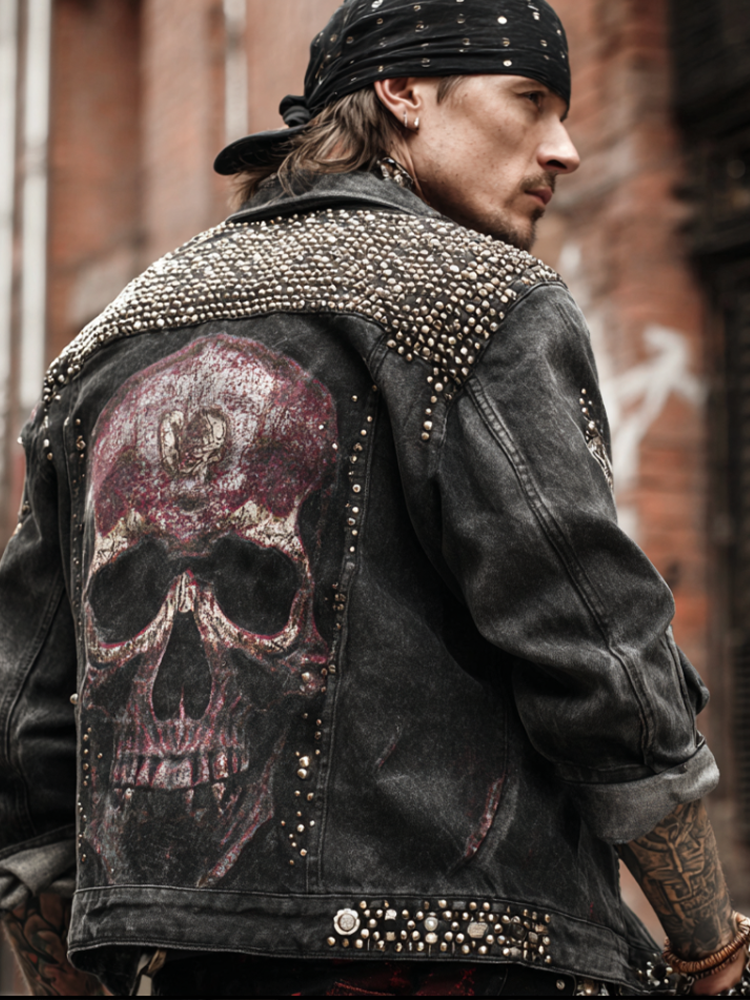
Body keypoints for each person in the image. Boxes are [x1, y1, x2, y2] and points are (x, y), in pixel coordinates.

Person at [0, 0, 747, 995]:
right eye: (528, 100)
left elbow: (27, 722)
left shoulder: (106, 342)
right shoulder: (480, 301)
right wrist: (709, 946)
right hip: (464, 958)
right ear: (402, 92)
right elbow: (598, 651)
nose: (562, 148)